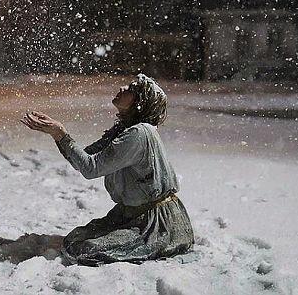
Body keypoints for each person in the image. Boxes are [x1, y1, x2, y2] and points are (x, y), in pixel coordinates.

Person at [20, 74, 194, 266]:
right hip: (131, 214)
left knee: (86, 249)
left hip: (156, 222)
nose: (122, 88)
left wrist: (60, 133)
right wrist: (57, 135)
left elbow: (90, 168)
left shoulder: (139, 134)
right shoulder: (124, 129)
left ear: (140, 102)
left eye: (130, 89)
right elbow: (83, 160)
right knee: (74, 240)